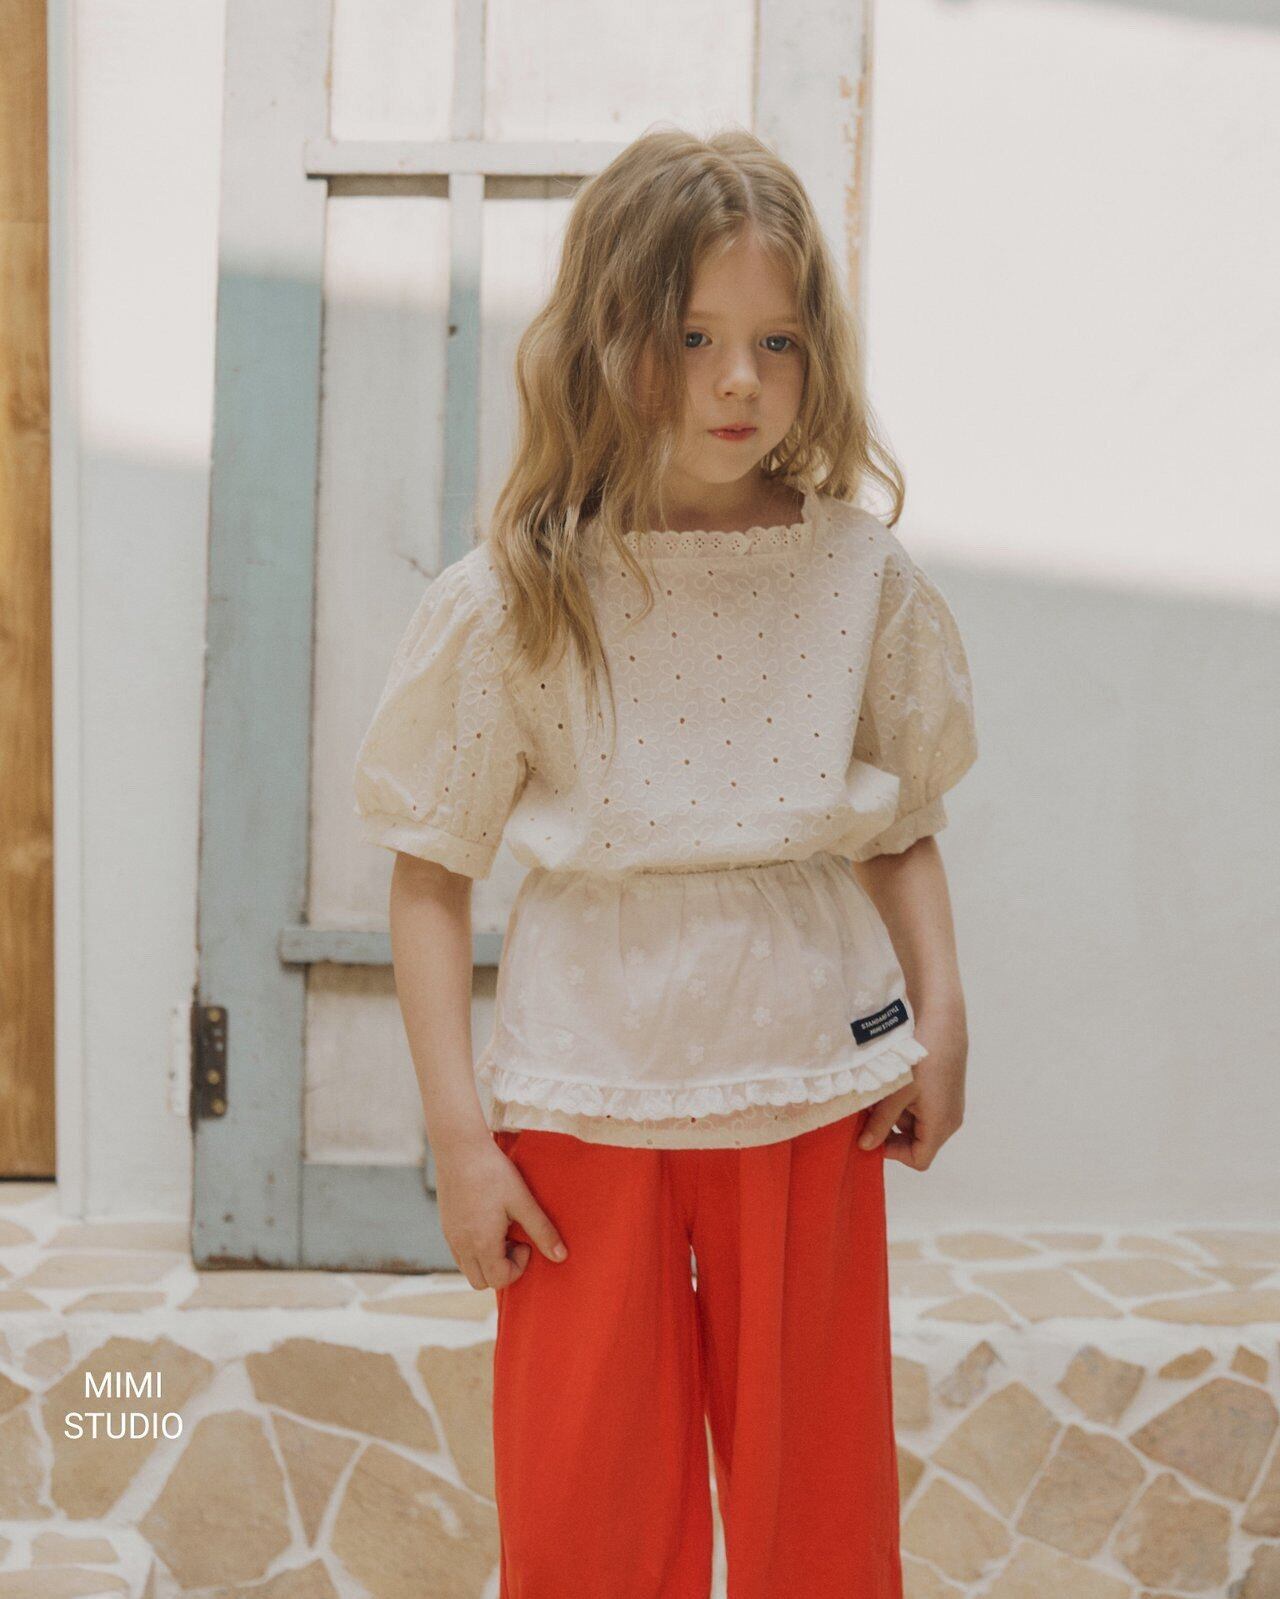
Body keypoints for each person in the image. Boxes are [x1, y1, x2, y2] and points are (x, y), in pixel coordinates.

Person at [353, 125, 979, 1599]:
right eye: (694, 337)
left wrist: (945, 1019)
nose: (739, 380)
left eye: (777, 340)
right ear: (608, 338)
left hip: (808, 1085)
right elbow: (431, 875)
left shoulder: (859, 576)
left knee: (815, 1515)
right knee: (587, 1511)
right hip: (584, 1101)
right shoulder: (517, 595)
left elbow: (899, 825)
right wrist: (461, 1140)